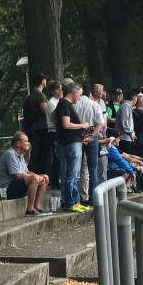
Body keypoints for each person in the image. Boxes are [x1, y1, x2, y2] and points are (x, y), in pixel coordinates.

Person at [54, 83, 90, 212]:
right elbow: (66, 124)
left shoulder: (61, 104)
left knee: (66, 174)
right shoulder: (65, 104)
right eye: (79, 95)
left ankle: (67, 201)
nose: (79, 98)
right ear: (73, 92)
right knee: (73, 174)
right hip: (71, 143)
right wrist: (82, 125)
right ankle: (73, 202)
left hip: (65, 142)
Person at [0, 132, 50, 216]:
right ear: (18, 143)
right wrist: (35, 177)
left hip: (16, 186)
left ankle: (37, 207)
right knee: (34, 178)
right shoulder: (10, 154)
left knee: (45, 177)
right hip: (6, 189)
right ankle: (30, 209)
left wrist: (38, 176)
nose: (29, 143)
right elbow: (16, 175)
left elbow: (26, 172)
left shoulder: (20, 155)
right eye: (26, 141)